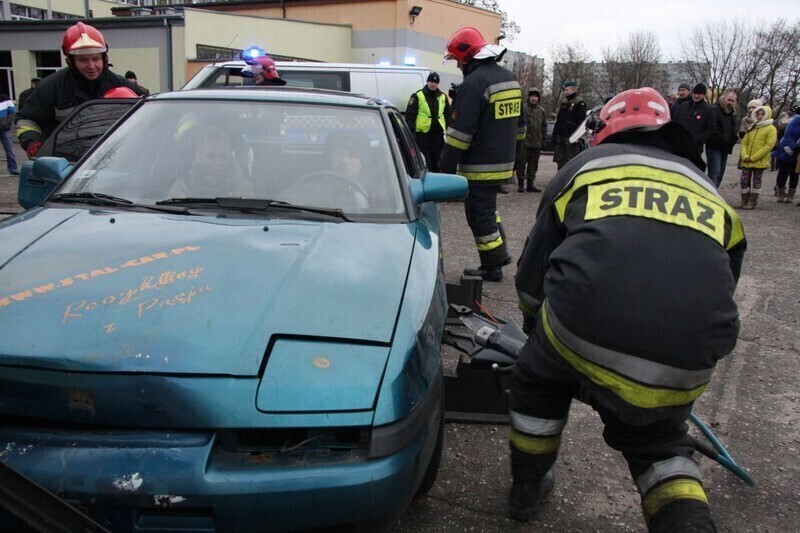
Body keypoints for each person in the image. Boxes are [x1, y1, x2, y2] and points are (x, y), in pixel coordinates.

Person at [508, 87, 746, 531]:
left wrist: (535, 339)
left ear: (606, 129)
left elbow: (533, 271)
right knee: (660, 445)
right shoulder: (707, 188)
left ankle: (528, 488)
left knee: (536, 385)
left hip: (581, 327)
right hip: (690, 355)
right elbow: (724, 281)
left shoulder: (585, 167)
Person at [438, 26, 523, 282]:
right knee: (487, 209)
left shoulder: (474, 84)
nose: (457, 66)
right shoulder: (509, 79)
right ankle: (497, 255)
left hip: (480, 164)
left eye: (457, 60)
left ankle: (493, 263)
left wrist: (445, 169)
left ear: (466, 56)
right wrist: (516, 157)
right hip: (503, 161)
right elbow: (521, 126)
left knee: (478, 213)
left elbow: (459, 134)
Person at [16, 22, 136, 159]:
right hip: (65, 163)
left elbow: (146, 112)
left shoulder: (120, 84)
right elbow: (27, 120)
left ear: (104, 58)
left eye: (95, 59)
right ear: (71, 61)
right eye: (83, 60)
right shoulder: (51, 87)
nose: (91, 66)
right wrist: (32, 142)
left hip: (110, 158)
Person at [168, 127, 254, 198]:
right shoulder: (181, 188)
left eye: (224, 157)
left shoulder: (244, 188)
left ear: (231, 156)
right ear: (199, 155)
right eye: (211, 157)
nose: (218, 163)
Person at [405, 72, 450, 172]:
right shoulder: (418, 95)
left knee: (437, 161)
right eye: (431, 81)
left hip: (438, 135)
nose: (433, 84)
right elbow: (410, 117)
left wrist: (449, 132)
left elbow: (448, 116)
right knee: (424, 161)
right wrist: (411, 134)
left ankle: (436, 177)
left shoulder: (442, 96)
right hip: (422, 135)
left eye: (436, 82)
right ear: (427, 81)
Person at [739, 104, 777, 209]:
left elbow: (769, 145)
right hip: (747, 160)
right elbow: (744, 142)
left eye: (762, 114)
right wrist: (744, 155)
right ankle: (744, 199)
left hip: (759, 161)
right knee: (744, 180)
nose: (760, 116)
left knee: (756, 181)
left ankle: (752, 201)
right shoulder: (753, 127)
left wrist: (754, 158)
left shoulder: (771, 128)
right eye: (758, 114)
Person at [671, 83, 719, 161]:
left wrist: (699, 139)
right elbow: (674, 122)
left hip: (695, 148)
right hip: (678, 145)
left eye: (699, 94)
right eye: (695, 93)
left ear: (704, 95)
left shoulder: (708, 110)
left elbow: (711, 128)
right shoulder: (683, 106)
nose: (696, 96)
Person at [517, 88, 547, 192]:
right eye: (532, 96)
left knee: (533, 165)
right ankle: (520, 184)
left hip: (536, 143)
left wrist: (543, 140)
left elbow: (544, 126)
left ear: (538, 98)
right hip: (524, 142)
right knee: (521, 164)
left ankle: (530, 184)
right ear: (529, 97)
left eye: (536, 96)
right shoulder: (523, 109)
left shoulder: (541, 111)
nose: (533, 98)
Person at [706, 90, 738, 187]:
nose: (730, 102)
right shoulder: (715, 109)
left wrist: (733, 139)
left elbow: (732, 129)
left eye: (732, 101)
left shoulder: (731, 114)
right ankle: (710, 192)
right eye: (729, 100)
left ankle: (714, 191)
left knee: (720, 173)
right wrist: (723, 139)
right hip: (714, 145)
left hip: (725, 147)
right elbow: (713, 128)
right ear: (724, 98)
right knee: (714, 172)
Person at [552, 81, 586, 170]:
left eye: (567, 90)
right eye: (565, 90)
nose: (565, 92)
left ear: (573, 89)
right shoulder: (564, 102)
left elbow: (581, 122)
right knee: (560, 160)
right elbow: (559, 120)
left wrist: (577, 136)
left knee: (571, 160)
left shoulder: (579, 103)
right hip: (561, 136)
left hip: (572, 137)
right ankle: (561, 177)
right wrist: (555, 134)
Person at [773, 107, 800, 203]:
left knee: (795, 173)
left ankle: (791, 195)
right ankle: (780, 193)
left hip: (798, 151)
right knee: (783, 172)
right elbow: (788, 134)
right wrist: (794, 147)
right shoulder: (796, 120)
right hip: (786, 148)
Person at [0, 93, 18, 175]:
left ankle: (12, 168)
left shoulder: (6, 99)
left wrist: (7, 123)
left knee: (9, 149)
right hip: (5, 127)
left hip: (5, 129)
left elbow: (13, 112)